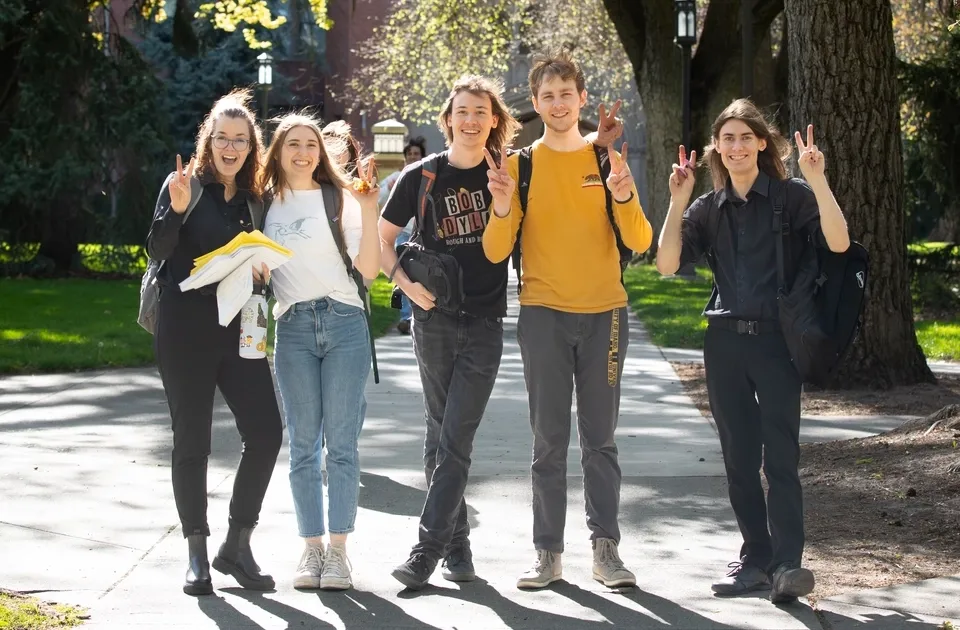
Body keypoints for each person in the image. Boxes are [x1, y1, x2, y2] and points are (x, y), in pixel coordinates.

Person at [655, 98, 850, 604]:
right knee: (739, 460)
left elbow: (840, 243)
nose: (737, 146)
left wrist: (820, 180)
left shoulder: (793, 197)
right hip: (723, 344)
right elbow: (666, 265)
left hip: (777, 344)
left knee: (780, 457)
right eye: (727, 139)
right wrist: (677, 201)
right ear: (716, 150)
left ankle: (788, 564)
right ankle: (755, 560)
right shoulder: (708, 207)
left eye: (746, 137)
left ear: (763, 143)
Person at [481, 49, 652, 590]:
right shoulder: (518, 165)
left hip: (604, 314)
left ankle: (606, 551)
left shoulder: (605, 160)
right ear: (535, 104)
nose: (557, 103)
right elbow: (494, 251)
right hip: (543, 316)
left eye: (566, 94)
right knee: (548, 442)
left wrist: (623, 194)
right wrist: (504, 207)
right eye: (547, 96)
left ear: (582, 98)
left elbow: (641, 241)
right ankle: (547, 554)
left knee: (600, 441)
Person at [378, 75, 521, 590]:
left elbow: (508, 245)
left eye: (481, 111)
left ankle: (427, 549)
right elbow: (384, 237)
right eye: (462, 110)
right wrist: (403, 285)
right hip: (433, 321)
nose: (471, 119)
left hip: (484, 322)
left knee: (455, 435)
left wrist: (503, 201)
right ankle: (458, 548)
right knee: (439, 432)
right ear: (448, 119)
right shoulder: (421, 176)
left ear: (494, 120)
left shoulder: (506, 175)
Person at [146, 89, 282, 596]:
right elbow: (157, 250)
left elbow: (258, 264)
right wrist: (177, 210)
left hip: (239, 328)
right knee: (193, 441)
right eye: (222, 138)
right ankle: (197, 551)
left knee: (267, 432)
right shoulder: (183, 186)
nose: (231, 147)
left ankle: (236, 545)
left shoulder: (253, 199)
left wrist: (263, 269)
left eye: (241, 140)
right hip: (184, 328)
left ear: (251, 146)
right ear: (209, 139)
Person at [261, 113, 382, 591]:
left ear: (321, 152)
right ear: (278, 151)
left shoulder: (342, 200)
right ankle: (310, 550)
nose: (303, 152)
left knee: (343, 447)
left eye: (310, 144)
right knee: (304, 447)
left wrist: (370, 210)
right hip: (292, 328)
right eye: (293, 143)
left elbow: (369, 272)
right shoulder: (265, 205)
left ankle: (338, 554)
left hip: (344, 323)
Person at [379, 136, 428, 334]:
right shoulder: (397, 177)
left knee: (423, 276)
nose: (412, 157)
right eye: (409, 154)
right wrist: (388, 190)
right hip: (401, 235)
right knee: (404, 277)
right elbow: (378, 196)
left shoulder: (430, 174)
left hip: (425, 236)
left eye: (416, 154)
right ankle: (406, 318)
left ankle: (421, 314)